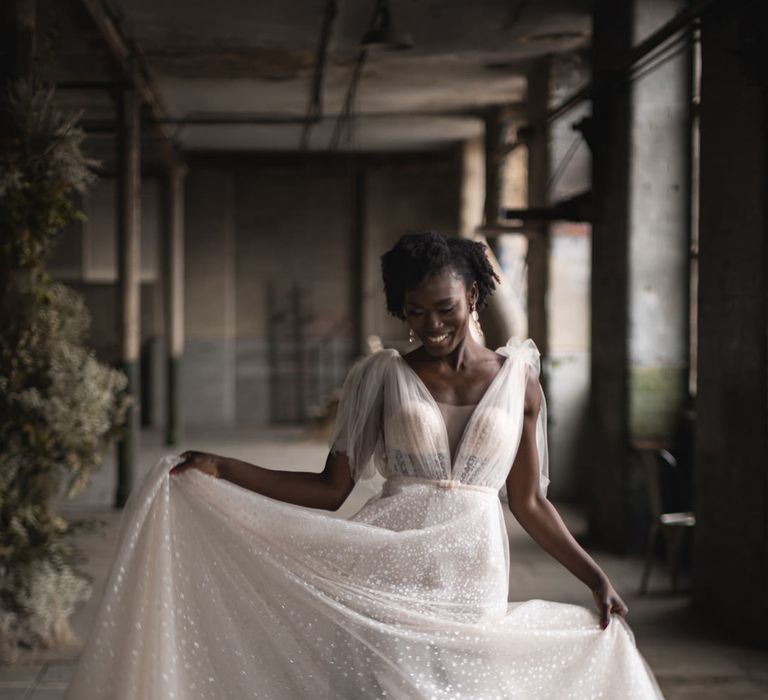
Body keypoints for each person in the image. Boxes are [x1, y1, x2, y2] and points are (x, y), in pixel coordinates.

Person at [65, 231, 664, 699]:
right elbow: (333, 489)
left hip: (473, 573)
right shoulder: (381, 377)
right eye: (413, 311)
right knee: (388, 690)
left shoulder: (520, 383)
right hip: (389, 560)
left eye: (444, 307)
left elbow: (529, 502)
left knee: (469, 688)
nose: (430, 325)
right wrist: (226, 468)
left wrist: (594, 578)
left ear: (474, 297)